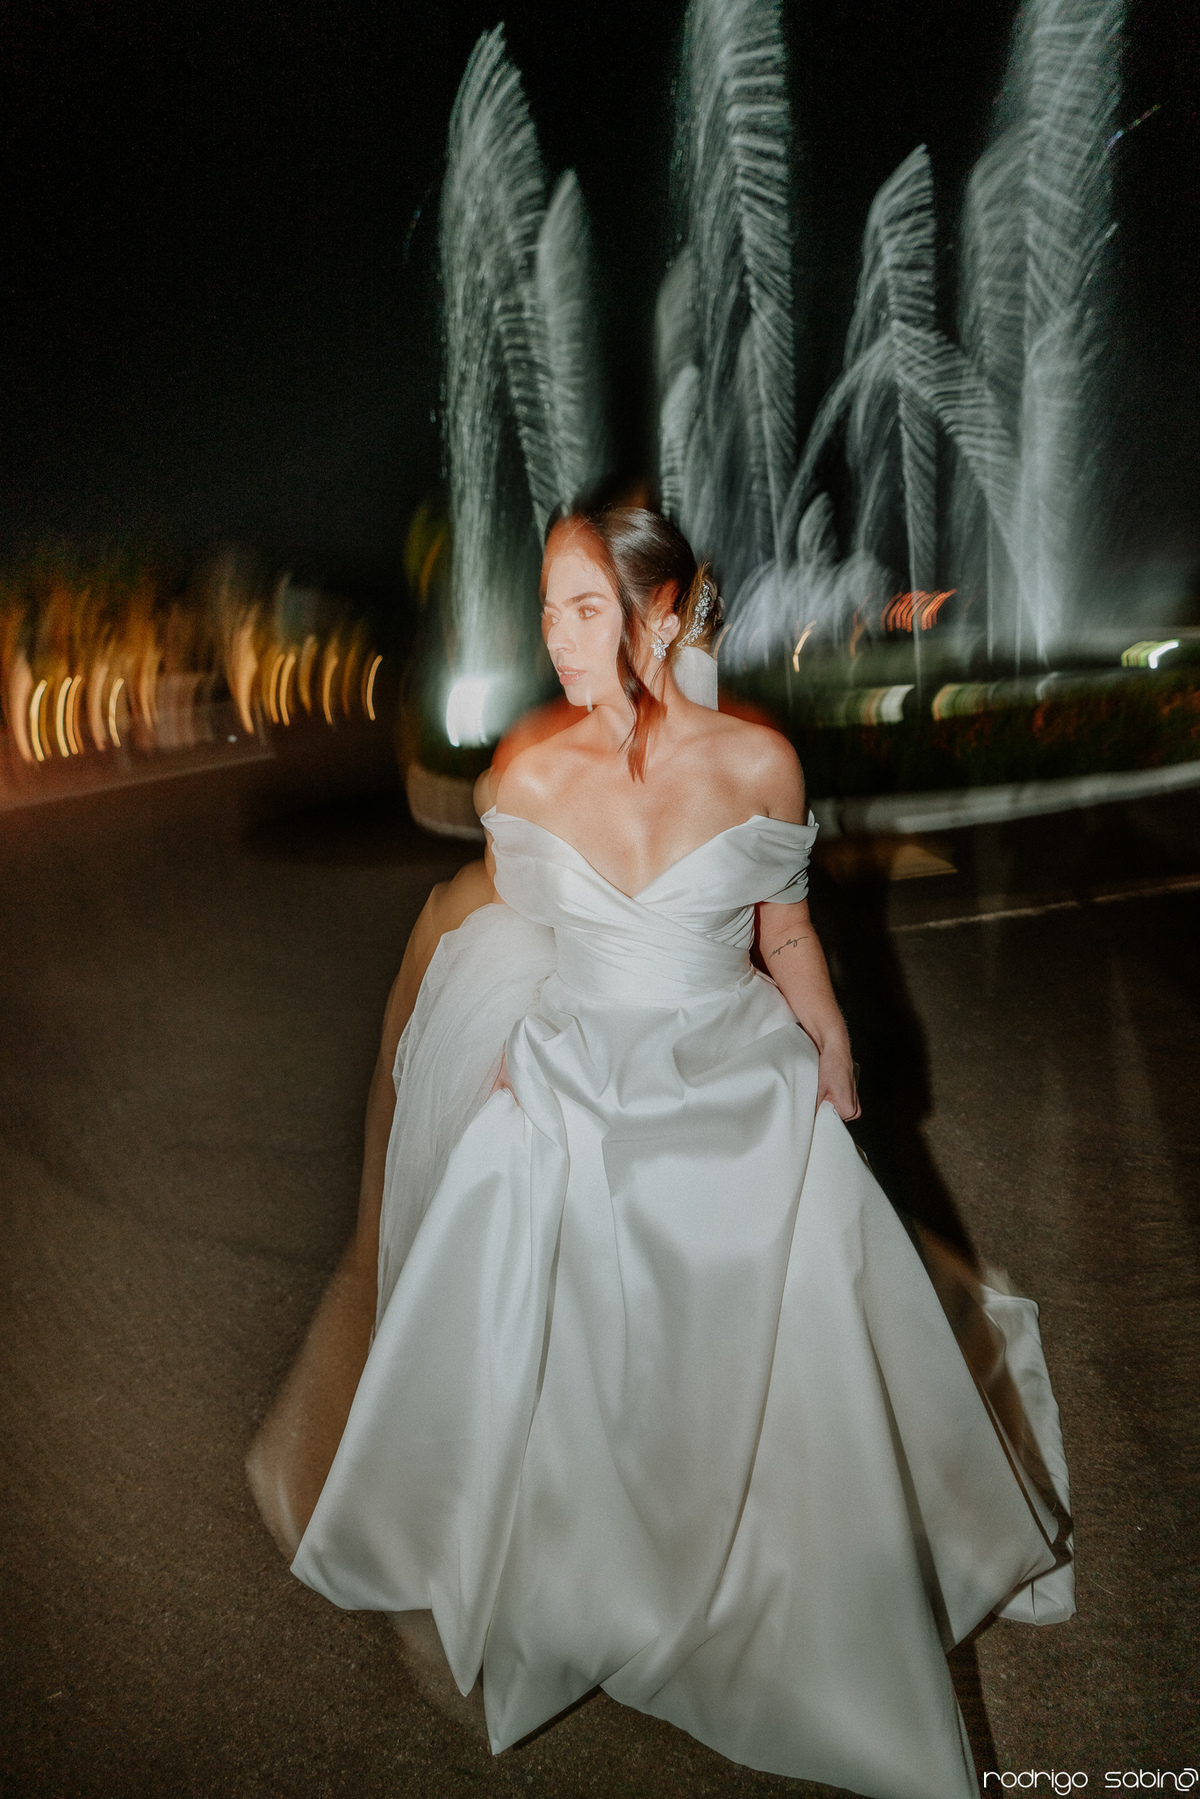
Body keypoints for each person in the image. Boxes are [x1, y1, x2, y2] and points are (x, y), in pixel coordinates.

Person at [262, 505, 1074, 1799]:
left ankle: (780, 1580)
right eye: (546, 609)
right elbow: (509, 915)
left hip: (736, 1075)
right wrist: (500, 1029)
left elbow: (784, 928)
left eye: (584, 609)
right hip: (576, 1080)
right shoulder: (527, 771)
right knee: (563, 1319)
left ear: (660, 616)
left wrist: (832, 1044)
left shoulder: (761, 764)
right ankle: (588, 1578)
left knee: (791, 1305)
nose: (555, 636)